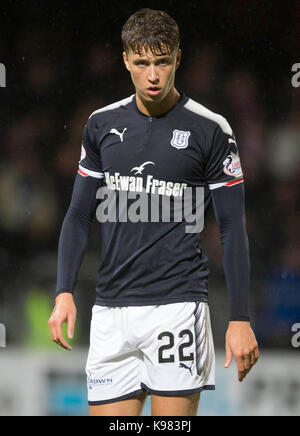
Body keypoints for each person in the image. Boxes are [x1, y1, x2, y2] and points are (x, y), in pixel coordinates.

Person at [48, 8, 259, 416]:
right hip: (111, 311)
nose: (153, 75)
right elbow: (77, 214)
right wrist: (64, 291)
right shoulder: (100, 124)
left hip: (177, 308)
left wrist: (240, 318)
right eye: (142, 63)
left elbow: (233, 227)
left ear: (178, 58)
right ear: (125, 60)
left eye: (162, 61)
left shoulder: (211, 129)